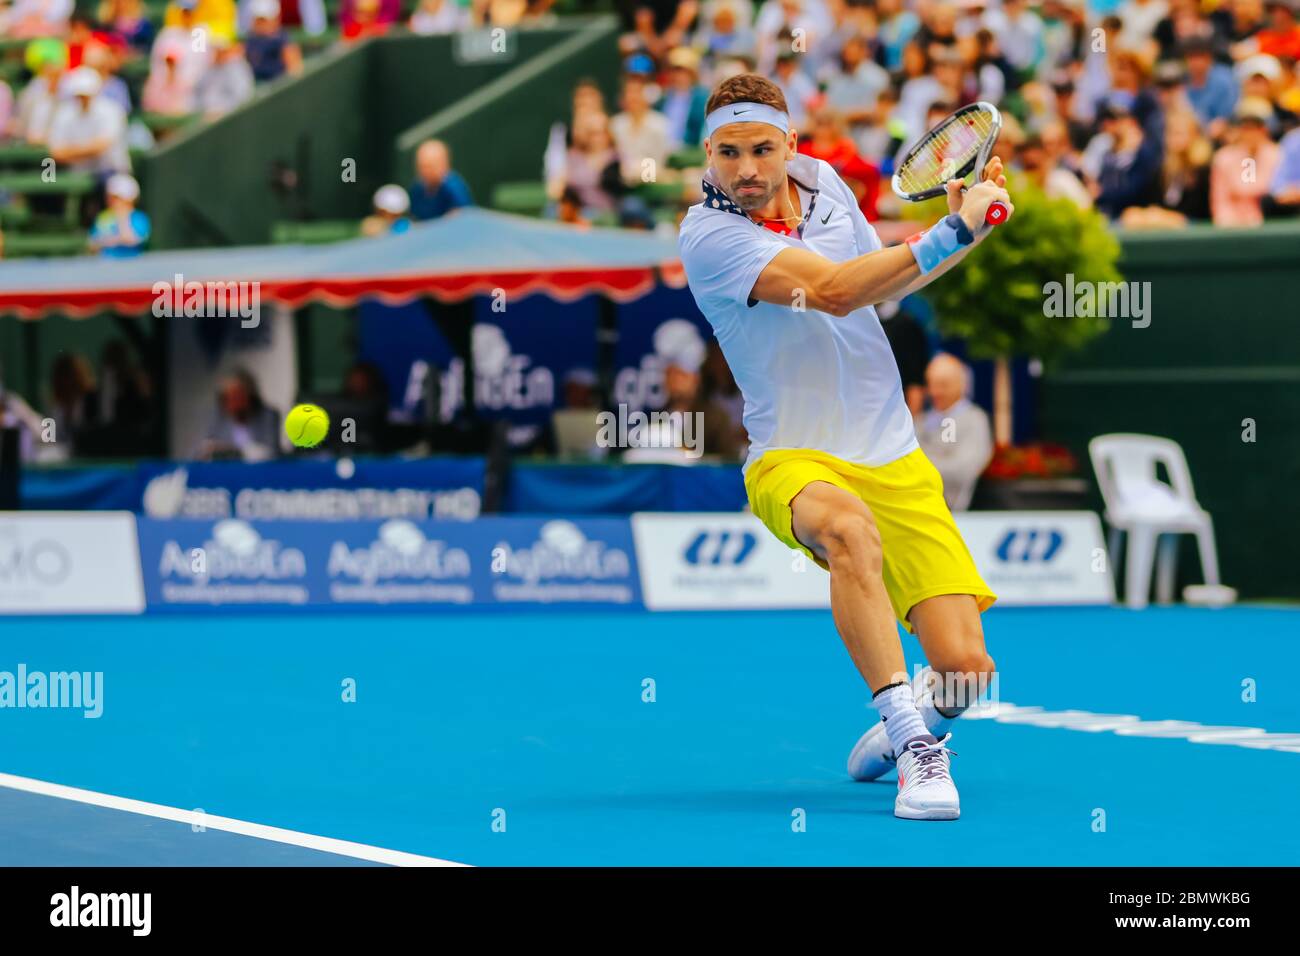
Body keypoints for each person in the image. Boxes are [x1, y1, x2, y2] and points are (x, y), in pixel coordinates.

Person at [678, 73, 1009, 821]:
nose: (748, 169)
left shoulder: (826, 184)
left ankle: (917, 723)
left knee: (966, 670)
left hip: (891, 452)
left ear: (790, 144)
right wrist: (948, 231)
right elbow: (829, 290)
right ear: (708, 153)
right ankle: (915, 747)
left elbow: (881, 286)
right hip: (792, 458)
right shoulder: (707, 235)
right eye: (729, 152)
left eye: (763, 148)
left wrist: (970, 228)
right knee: (848, 533)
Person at [915, 354, 993, 512]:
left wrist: (922, 466)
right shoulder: (920, 420)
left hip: (956, 513)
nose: (936, 392)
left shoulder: (975, 419)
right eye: (932, 384)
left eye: (943, 385)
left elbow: (963, 470)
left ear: (961, 385)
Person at [47, 66, 131, 176]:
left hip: (112, 171)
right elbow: (56, 152)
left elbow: (102, 145)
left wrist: (70, 152)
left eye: (86, 95)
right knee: (49, 176)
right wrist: (87, 149)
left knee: (120, 188)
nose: (83, 99)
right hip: (76, 173)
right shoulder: (65, 113)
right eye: (80, 95)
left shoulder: (112, 110)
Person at [1211, 97, 1282, 225]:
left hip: (1270, 225)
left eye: (1256, 126)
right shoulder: (1223, 158)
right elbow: (1221, 203)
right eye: (1246, 127)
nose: (1251, 132)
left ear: (1265, 129)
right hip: (1232, 228)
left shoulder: (1278, 155)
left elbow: (1276, 195)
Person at [195, 369, 281, 461]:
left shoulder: (268, 416)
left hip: (261, 473)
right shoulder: (218, 419)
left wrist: (233, 451)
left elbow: (272, 453)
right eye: (229, 398)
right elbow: (203, 452)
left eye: (238, 396)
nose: (234, 403)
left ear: (250, 396)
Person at [407, 139, 474, 221]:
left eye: (429, 167)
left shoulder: (454, 189)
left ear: (444, 164)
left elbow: (462, 220)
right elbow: (413, 218)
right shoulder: (416, 188)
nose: (424, 171)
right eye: (421, 166)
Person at [89, 173, 151, 256]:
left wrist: (122, 218)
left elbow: (132, 240)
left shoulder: (139, 218)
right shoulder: (103, 217)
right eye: (110, 197)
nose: (112, 201)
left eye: (117, 198)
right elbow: (92, 244)